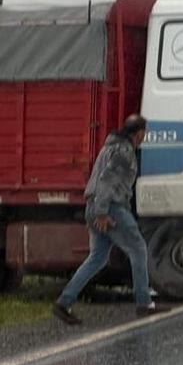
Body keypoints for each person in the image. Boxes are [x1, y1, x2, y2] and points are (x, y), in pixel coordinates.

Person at [52, 114, 164, 324]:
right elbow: (106, 181)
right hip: (111, 208)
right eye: (145, 132)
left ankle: (63, 302)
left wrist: (98, 211)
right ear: (138, 133)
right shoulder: (124, 152)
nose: (145, 136)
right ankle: (144, 303)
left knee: (97, 258)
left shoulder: (109, 147)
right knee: (138, 248)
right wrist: (103, 213)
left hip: (93, 206)